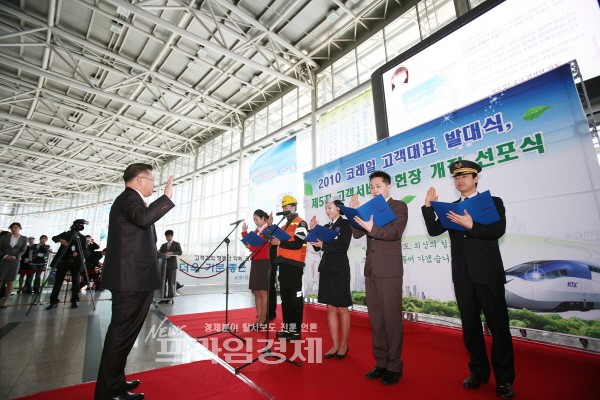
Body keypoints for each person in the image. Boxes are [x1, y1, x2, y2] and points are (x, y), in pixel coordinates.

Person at [421, 160, 515, 400]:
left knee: (499, 327)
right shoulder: (451, 208)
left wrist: (471, 224)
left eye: (465, 175)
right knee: (470, 327)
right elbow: (434, 230)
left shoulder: (492, 202)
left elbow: (497, 231)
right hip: (462, 275)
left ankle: (504, 379)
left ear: (476, 178)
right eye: (456, 176)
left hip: (488, 274)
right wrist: (428, 207)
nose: (460, 180)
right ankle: (479, 372)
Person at [94, 163, 174, 400]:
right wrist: (166, 198)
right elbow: (143, 219)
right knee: (121, 334)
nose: (154, 186)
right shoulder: (129, 199)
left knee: (124, 334)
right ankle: (109, 391)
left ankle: (115, 382)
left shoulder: (130, 201)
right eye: (152, 181)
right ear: (140, 180)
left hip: (134, 278)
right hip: (131, 280)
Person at [349, 171, 408, 386]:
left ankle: (394, 366)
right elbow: (357, 234)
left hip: (389, 270)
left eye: (378, 186)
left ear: (388, 186)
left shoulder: (398, 206)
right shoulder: (369, 209)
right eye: (372, 187)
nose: (374, 190)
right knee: (376, 319)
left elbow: (395, 232)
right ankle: (381, 362)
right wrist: (353, 213)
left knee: (391, 319)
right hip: (372, 270)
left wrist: (372, 228)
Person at [307, 197, 352, 360]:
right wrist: (312, 231)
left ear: (338, 208)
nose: (327, 211)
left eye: (330, 208)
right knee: (330, 308)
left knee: (342, 308)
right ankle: (334, 345)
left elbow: (342, 246)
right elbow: (316, 247)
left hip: (339, 270)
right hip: (326, 269)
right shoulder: (326, 227)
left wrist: (324, 245)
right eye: (326, 208)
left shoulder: (345, 224)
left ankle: (343, 345)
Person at [272, 195, 308, 340]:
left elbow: (298, 244)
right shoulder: (283, 226)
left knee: (295, 299)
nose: (284, 209)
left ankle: (296, 330)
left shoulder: (301, 223)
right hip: (284, 265)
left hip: (295, 266)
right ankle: (288, 328)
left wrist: (280, 242)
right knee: (285, 299)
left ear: (293, 207)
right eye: (283, 207)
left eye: (286, 206)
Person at [241, 209, 272, 329]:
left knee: (263, 291)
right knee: (257, 291)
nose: (255, 222)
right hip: (255, 261)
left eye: (257, 219)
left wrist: (251, 246)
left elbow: (262, 246)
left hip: (264, 261)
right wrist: (244, 232)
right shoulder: (256, 231)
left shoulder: (268, 230)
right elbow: (249, 243)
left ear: (264, 218)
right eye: (254, 220)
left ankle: (263, 318)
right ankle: (258, 317)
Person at [46, 227, 90, 309]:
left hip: (76, 262)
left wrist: (78, 253)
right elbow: (54, 238)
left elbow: (86, 251)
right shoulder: (66, 234)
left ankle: (75, 300)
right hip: (63, 261)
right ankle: (53, 301)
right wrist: (60, 240)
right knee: (58, 281)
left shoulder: (82, 237)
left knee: (76, 282)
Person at [0, 223, 28, 308]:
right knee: (0, 279)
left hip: (15, 261)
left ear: (20, 228)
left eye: (16, 227)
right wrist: (5, 256)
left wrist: (15, 256)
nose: (14, 229)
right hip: (3, 260)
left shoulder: (24, 238)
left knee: (10, 281)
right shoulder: (4, 237)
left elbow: (23, 250)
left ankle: (5, 301)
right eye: (12, 227)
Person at [158, 230, 183, 299]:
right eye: (166, 237)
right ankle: (162, 296)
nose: (167, 238)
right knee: (163, 282)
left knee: (171, 282)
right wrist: (163, 254)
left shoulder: (176, 244)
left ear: (172, 236)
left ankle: (170, 296)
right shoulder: (163, 245)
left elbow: (180, 252)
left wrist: (172, 253)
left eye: (169, 236)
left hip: (172, 266)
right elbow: (159, 252)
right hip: (163, 266)